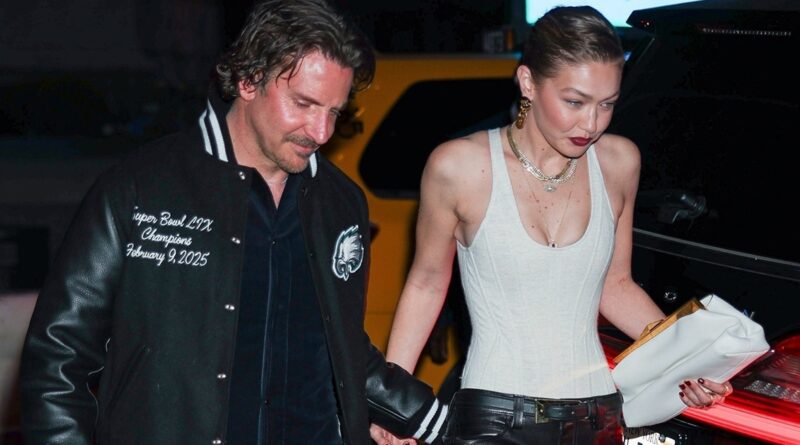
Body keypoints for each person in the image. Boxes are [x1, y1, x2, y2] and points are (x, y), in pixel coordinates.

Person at [18, 1, 448, 444]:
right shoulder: (142, 187)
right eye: (304, 103)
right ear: (248, 80)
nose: (321, 132)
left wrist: (440, 424)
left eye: (334, 112)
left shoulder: (341, 203)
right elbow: (59, 355)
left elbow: (343, 349)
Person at [376, 6, 732, 444]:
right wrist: (389, 404)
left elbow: (616, 286)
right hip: (494, 417)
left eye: (607, 104)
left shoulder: (619, 162)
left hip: (599, 416)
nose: (591, 124)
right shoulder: (459, 166)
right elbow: (426, 284)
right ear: (528, 82)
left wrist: (689, 362)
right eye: (574, 102)